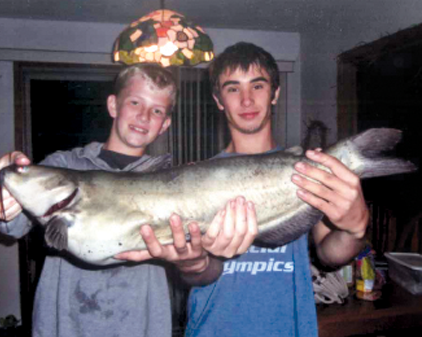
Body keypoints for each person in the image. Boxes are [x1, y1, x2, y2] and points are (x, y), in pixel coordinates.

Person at [0, 63, 256, 337]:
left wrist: (196, 261)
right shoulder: (65, 164)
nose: (144, 116)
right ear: (113, 105)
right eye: (135, 102)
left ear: (165, 124)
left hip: (141, 327)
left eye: (157, 110)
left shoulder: (175, 182)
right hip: (63, 326)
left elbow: (208, 272)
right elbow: (11, 226)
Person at [131, 42, 369, 336]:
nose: (246, 100)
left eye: (257, 86)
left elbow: (330, 254)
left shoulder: (306, 170)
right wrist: (193, 263)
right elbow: (201, 274)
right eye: (233, 89)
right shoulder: (193, 179)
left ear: (275, 93)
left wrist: (354, 230)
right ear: (219, 100)